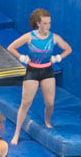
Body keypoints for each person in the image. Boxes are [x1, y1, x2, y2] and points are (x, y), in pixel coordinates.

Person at [6, 9, 72, 145]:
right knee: (25, 103)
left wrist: (58, 57)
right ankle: (17, 133)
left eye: (49, 23)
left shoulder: (54, 38)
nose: (48, 26)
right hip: (32, 72)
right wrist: (22, 58)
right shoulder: (29, 37)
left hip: (47, 71)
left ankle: (47, 121)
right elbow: (11, 47)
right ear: (38, 23)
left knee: (50, 103)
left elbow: (68, 49)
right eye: (45, 23)